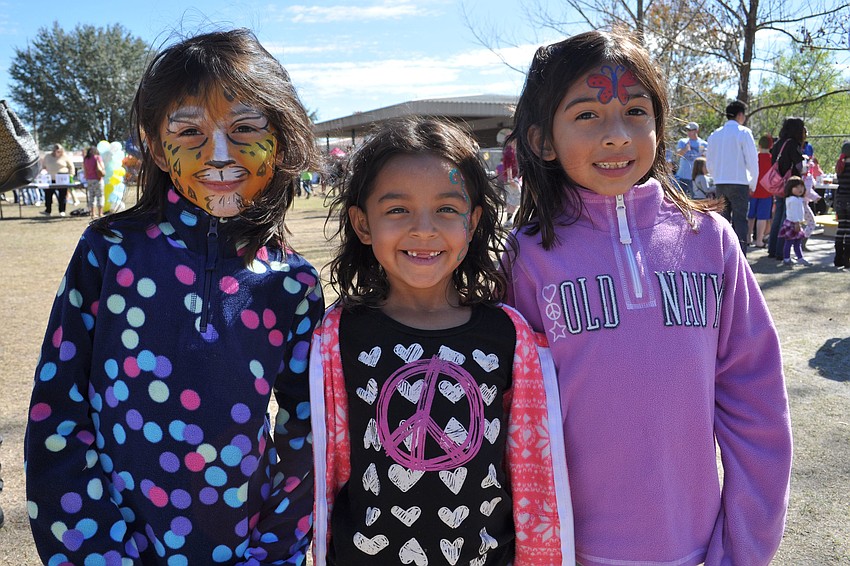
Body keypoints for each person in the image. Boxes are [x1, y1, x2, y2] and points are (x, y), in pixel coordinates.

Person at [25, 28, 323, 565]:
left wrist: (273, 552)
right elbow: (58, 415)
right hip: (110, 547)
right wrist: (97, 551)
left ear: (280, 139)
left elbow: (306, 436)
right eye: (190, 132)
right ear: (157, 147)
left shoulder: (292, 285)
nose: (221, 155)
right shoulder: (109, 252)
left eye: (247, 128)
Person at [505, 29, 792, 566]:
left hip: (697, 550)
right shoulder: (524, 259)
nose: (617, 135)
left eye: (636, 111)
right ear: (543, 140)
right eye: (587, 115)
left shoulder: (710, 242)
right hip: (568, 553)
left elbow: (758, 410)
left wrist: (742, 550)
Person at [310, 117, 574, 566]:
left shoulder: (507, 335)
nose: (425, 229)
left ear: (472, 223)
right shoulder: (338, 336)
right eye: (397, 210)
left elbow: (531, 469)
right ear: (362, 224)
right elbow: (329, 472)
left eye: (447, 209)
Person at [705, 100, 759, 255]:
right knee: (740, 220)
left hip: (721, 182)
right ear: (740, 115)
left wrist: (716, 176)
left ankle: (722, 254)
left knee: (722, 221)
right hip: (739, 182)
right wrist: (752, 183)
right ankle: (740, 255)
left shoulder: (715, 134)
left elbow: (710, 161)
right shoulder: (743, 132)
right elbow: (751, 161)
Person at [767, 118, 807, 260]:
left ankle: (772, 249)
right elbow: (799, 167)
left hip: (778, 185)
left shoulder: (778, 143)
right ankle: (781, 252)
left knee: (778, 217)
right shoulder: (793, 144)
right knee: (787, 218)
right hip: (791, 186)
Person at [749, 134, 775, 248]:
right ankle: (759, 240)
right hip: (766, 191)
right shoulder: (772, 159)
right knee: (762, 217)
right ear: (771, 146)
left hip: (753, 189)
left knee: (751, 216)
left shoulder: (754, 157)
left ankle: (748, 237)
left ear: (759, 145)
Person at [778, 176, 812, 266]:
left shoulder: (798, 199)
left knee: (797, 242)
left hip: (797, 223)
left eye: (801, 187)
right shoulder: (792, 200)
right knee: (789, 242)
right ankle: (786, 258)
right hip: (792, 223)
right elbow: (793, 213)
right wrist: (797, 223)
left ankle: (800, 257)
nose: (800, 189)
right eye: (797, 187)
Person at [40, 143, 75, 217]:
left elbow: (71, 166)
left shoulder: (65, 157)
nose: (57, 152)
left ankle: (62, 210)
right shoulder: (47, 157)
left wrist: (71, 175)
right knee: (48, 195)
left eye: (59, 150)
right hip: (50, 179)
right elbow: (43, 166)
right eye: (56, 150)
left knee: (62, 195)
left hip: (62, 179)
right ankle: (48, 210)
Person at [675, 121, 707, 196]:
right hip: (682, 177)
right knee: (680, 199)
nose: (688, 132)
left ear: (696, 130)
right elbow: (678, 154)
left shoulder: (703, 144)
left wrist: (704, 155)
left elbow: (706, 160)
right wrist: (685, 149)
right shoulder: (682, 141)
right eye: (687, 130)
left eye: (690, 130)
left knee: (695, 200)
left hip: (695, 178)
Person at [833, 140, 850, 269]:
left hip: (840, 199)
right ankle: (847, 258)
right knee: (849, 229)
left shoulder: (840, 167)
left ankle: (837, 257)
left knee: (841, 227)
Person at [83, 146, 106, 217]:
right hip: (97, 179)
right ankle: (100, 213)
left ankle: (92, 213)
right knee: (100, 196)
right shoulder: (97, 157)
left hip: (89, 179)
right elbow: (102, 167)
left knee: (91, 196)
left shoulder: (86, 159)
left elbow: (85, 170)